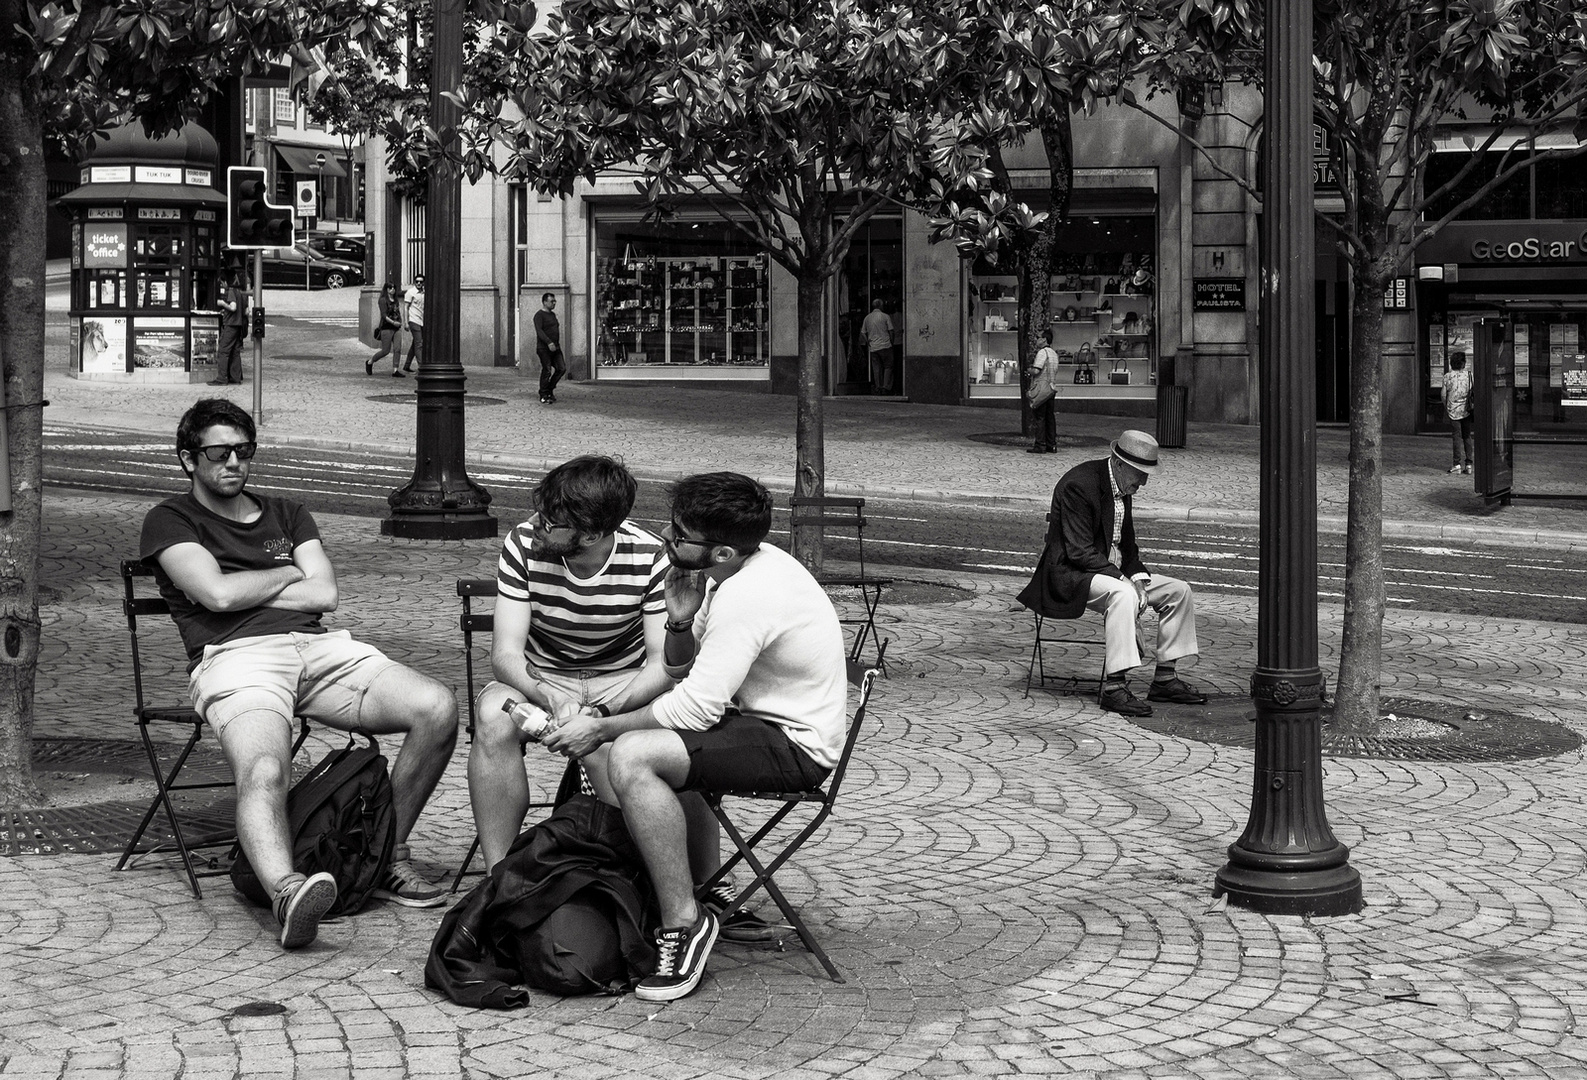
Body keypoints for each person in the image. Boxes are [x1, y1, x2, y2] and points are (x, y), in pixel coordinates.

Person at [139, 399, 458, 949]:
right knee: (264, 767)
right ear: (190, 460)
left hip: (320, 649)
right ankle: (288, 891)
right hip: (237, 658)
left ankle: (384, 856)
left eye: (244, 450)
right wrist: (287, 570)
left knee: (437, 706)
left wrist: (253, 582)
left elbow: (326, 593)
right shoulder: (171, 519)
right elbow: (214, 595)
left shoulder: (288, 512)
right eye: (219, 452)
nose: (234, 462)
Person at [542, 472, 847, 1002]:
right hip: (758, 723)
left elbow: (694, 709)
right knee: (648, 749)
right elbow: (681, 671)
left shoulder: (751, 593)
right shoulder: (733, 571)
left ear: (722, 549)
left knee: (635, 754)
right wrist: (679, 623)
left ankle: (683, 922)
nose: (664, 538)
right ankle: (698, 892)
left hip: (796, 745)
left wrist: (601, 729)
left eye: (678, 535)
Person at [468, 456, 673, 870]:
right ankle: (499, 876)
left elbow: (661, 665)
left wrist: (599, 714)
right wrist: (551, 695)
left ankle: (632, 873)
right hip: (541, 678)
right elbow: (505, 654)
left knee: (625, 744)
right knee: (493, 717)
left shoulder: (650, 556)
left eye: (550, 521)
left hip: (622, 684)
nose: (537, 523)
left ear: (593, 533)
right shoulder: (523, 542)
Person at [1015, 430, 1206, 718]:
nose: (1143, 481)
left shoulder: (1121, 485)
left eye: (1147, 473)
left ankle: (1165, 678)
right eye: (1139, 473)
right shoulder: (1079, 485)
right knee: (1123, 594)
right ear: (1118, 463)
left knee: (1179, 591)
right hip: (1073, 574)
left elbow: (1127, 546)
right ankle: (1115, 688)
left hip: (1109, 570)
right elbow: (1079, 552)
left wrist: (1138, 578)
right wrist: (1125, 581)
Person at [210, 273, 246, 386]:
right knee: (235, 352)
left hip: (230, 325)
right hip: (238, 326)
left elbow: (233, 307)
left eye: (222, 283)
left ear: (226, 282)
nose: (222, 285)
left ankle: (222, 378)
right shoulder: (240, 293)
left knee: (223, 351)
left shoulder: (230, 291)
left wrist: (223, 304)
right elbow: (246, 311)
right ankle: (235, 378)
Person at [1026, 329, 1058, 454]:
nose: (1037, 340)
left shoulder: (1042, 352)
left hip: (1041, 389)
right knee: (1050, 417)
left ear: (1044, 339)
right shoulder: (1054, 354)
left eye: (1039, 337)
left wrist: (1028, 370)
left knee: (1040, 417)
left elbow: (1036, 370)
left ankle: (1040, 445)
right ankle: (1052, 444)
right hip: (1051, 389)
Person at [1444, 351, 1473, 475]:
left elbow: (1443, 394)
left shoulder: (1448, 376)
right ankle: (1469, 464)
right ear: (1463, 363)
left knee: (1456, 436)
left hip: (1453, 411)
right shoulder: (1469, 375)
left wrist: (1447, 406)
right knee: (1467, 436)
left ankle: (1457, 464)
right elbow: (1472, 392)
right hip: (1466, 409)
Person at [367, 282, 404, 377]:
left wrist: (400, 321)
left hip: (397, 328)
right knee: (385, 351)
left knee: (397, 349)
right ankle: (370, 362)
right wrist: (393, 322)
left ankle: (395, 370)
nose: (392, 289)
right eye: (390, 288)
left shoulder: (395, 300)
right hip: (387, 327)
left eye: (394, 287)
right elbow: (384, 315)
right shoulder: (383, 300)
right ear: (386, 289)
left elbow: (398, 312)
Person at [535, 292, 564, 404]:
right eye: (552, 301)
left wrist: (555, 344)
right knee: (547, 370)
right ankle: (543, 393)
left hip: (556, 347)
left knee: (561, 368)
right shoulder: (539, 315)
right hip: (544, 348)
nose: (554, 303)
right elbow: (539, 331)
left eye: (554, 301)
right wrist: (548, 342)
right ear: (545, 302)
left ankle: (549, 389)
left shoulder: (553, 315)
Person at [860, 299, 894, 394]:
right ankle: (885, 387)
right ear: (881, 306)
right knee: (888, 366)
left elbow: (863, 333)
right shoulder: (885, 316)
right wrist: (892, 342)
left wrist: (868, 342)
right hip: (886, 345)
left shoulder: (867, 318)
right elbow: (891, 330)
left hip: (874, 347)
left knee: (876, 368)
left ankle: (878, 387)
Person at [403, 274, 425, 373]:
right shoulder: (410, 292)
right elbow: (405, 307)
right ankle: (421, 366)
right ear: (414, 282)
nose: (419, 283)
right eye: (417, 281)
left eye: (421, 282)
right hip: (413, 320)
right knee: (419, 344)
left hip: (422, 321)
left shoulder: (424, 293)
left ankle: (407, 365)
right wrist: (406, 322)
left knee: (415, 344)